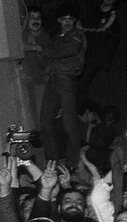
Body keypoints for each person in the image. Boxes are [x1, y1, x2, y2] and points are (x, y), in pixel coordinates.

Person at [39, 3, 86, 168]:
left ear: (74, 20)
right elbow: (47, 57)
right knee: (45, 121)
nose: (67, 22)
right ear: (59, 20)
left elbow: (68, 50)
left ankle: (72, 163)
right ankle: (52, 162)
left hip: (67, 79)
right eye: (64, 19)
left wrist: (40, 48)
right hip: (53, 79)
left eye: (70, 19)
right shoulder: (55, 36)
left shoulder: (78, 35)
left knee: (69, 123)